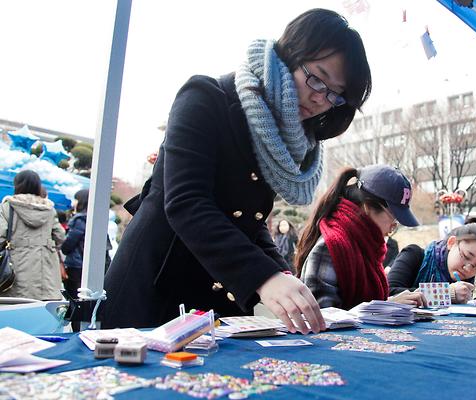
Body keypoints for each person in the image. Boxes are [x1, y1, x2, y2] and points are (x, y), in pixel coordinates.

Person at [102, 8, 372, 333]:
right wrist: (264, 276)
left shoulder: (281, 137)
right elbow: (187, 202)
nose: (319, 99)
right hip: (153, 293)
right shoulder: (206, 97)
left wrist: (283, 275)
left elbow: (250, 222)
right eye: (316, 78)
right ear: (288, 54)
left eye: (334, 95)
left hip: (212, 306)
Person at [296, 165, 426, 310]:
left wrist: (390, 302)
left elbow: (360, 305)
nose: (393, 228)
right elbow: (323, 318)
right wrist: (385, 306)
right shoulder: (330, 247)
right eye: (394, 219)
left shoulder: (366, 247)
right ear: (367, 206)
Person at [388, 223, 476, 304]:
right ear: (451, 243)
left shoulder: (465, 277)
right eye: (466, 256)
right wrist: (446, 293)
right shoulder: (414, 254)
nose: (467, 269)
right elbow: (388, 293)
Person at [0, 170, 65, 300]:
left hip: (15, 269)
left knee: (15, 309)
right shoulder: (49, 209)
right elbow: (60, 236)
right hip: (45, 271)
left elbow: (1, 235)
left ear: (17, 185)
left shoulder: (7, 207)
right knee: (42, 309)